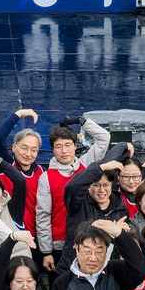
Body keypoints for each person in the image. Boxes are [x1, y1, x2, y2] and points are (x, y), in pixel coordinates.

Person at [35, 116, 112, 273]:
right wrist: (46, 251)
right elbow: (43, 215)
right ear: (53, 149)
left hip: (89, 240)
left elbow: (104, 138)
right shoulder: (46, 177)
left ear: (75, 146)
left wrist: (80, 120)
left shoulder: (86, 165)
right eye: (58, 146)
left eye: (68, 145)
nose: (64, 151)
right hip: (60, 244)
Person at [0, 109, 44, 231]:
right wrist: (19, 114)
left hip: (35, 235)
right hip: (8, 232)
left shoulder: (41, 172)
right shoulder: (5, 166)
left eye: (34, 150)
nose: (28, 154)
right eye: (24, 148)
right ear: (14, 147)